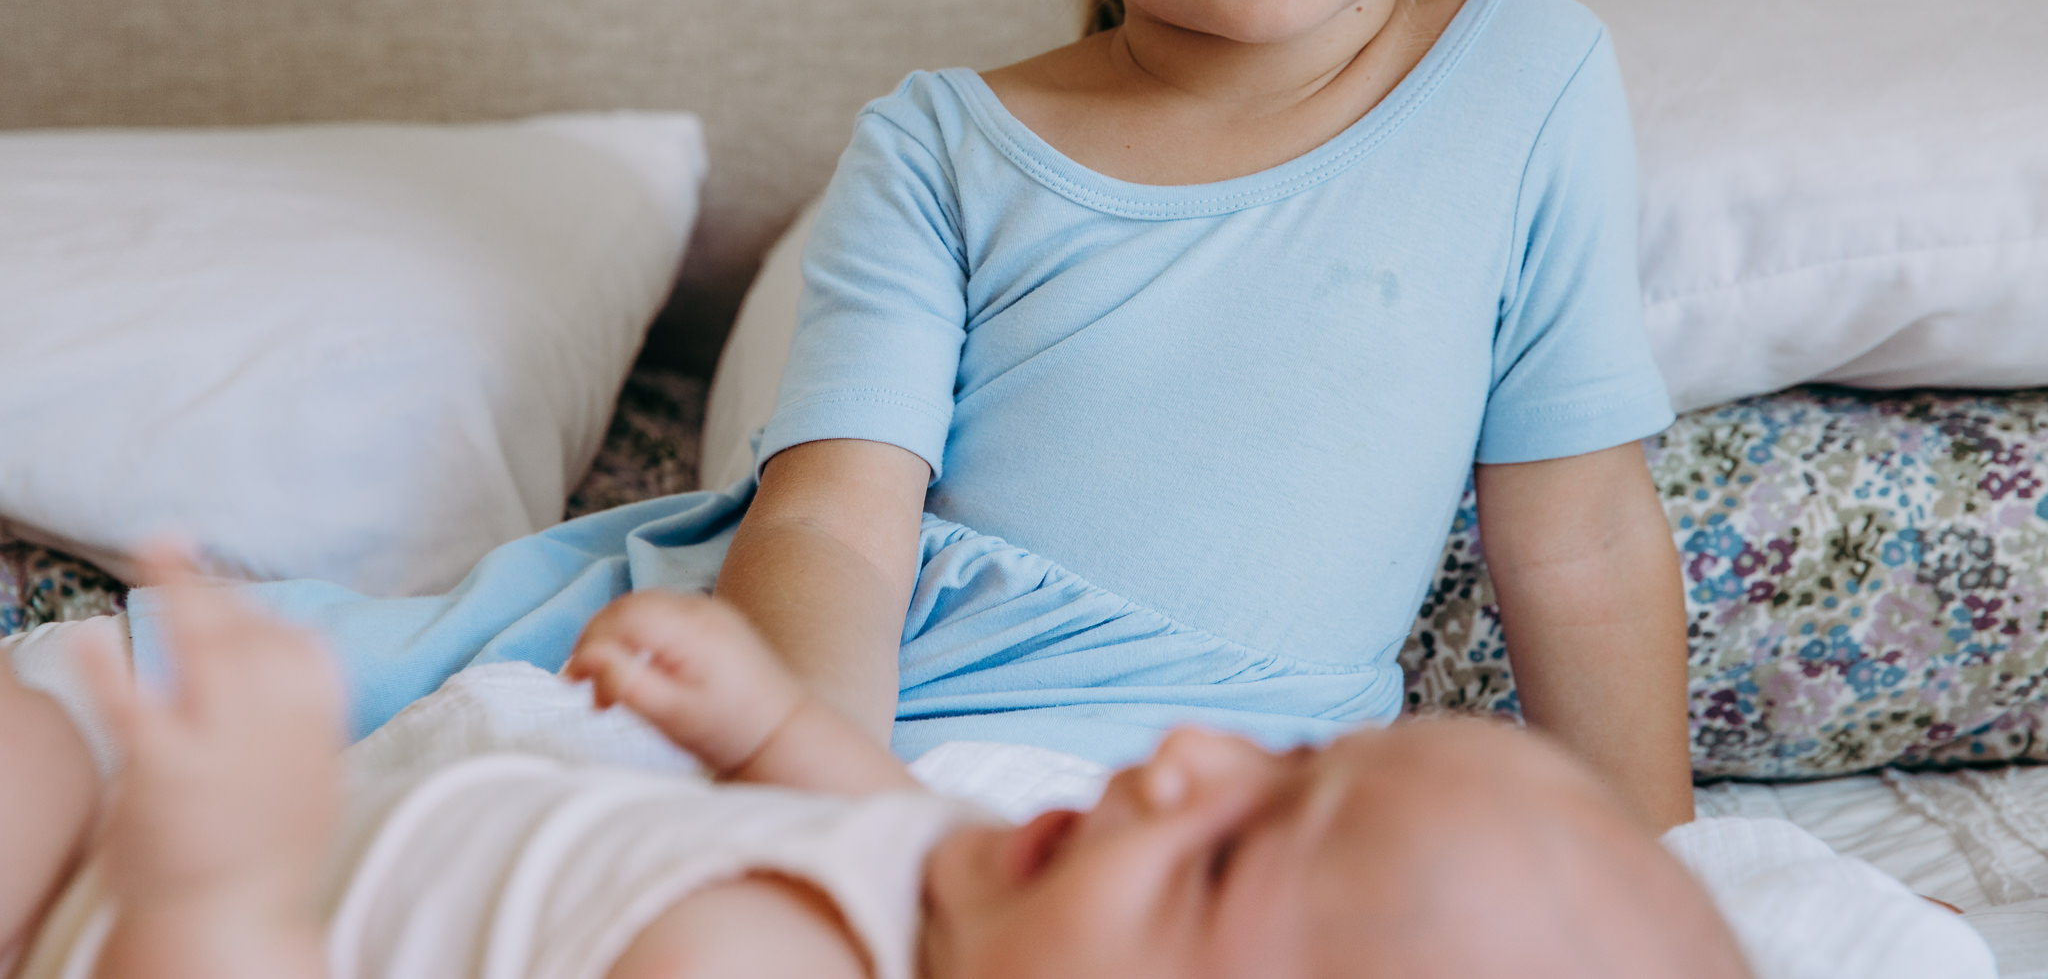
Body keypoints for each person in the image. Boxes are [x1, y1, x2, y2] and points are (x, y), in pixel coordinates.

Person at [121, 0, 1692, 834]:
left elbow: (1585, 534)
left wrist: (1663, 870)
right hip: (813, 690)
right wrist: (801, 786)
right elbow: (829, 524)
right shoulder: (946, 141)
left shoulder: (1525, 80)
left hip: (1208, 767)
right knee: (134, 724)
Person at [2, 557, 1752, 979]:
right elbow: (879, 816)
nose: (1185, 764)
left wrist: (211, 885)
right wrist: (759, 723)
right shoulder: (1000, 902)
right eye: (1277, 761)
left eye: (1229, 860)